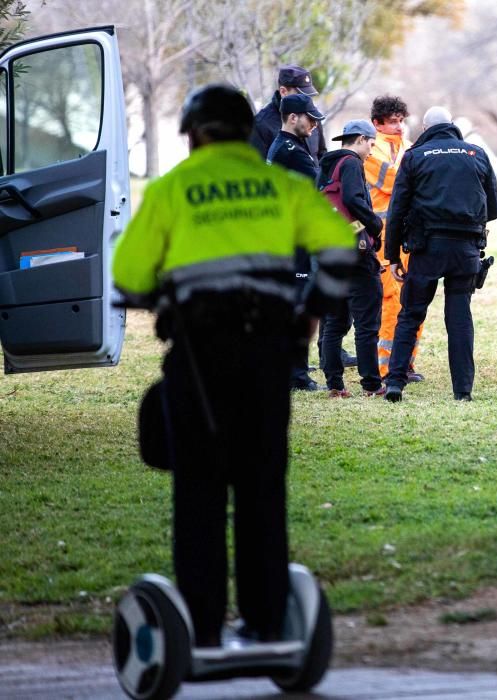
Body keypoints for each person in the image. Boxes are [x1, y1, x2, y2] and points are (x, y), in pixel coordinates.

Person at [112, 84, 355, 647]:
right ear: (248, 129)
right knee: (262, 486)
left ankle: (200, 628)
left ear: (194, 135)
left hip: (198, 359)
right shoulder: (280, 186)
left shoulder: (174, 190)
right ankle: (268, 621)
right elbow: (339, 249)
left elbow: (128, 277)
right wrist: (307, 314)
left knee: (198, 489)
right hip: (269, 356)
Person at [382, 106, 497, 402]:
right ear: (451, 126)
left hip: (427, 249)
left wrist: (393, 256)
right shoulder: (477, 154)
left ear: (425, 129)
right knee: (459, 318)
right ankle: (463, 392)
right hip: (466, 250)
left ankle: (395, 383)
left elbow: (396, 211)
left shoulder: (415, 157)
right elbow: (495, 209)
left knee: (410, 314)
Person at [317, 119, 385, 397]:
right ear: (359, 139)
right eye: (371, 143)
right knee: (367, 323)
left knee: (334, 322)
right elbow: (356, 201)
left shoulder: (325, 165)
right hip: (355, 254)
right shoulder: (352, 163)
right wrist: (375, 225)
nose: (371, 150)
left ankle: (334, 385)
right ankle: (371, 384)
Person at [267, 93, 327, 390]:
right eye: (310, 118)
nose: (315, 125)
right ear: (293, 118)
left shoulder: (287, 147)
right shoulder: (290, 151)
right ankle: (297, 376)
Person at [363, 95, 424, 381]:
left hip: (407, 235)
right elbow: (394, 181)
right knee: (392, 300)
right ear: (377, 123)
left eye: (401, 121)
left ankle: (406, 362)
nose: (399, 126)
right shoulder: (371, 150)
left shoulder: (408, 147)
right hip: (383, 238)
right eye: (392, 122)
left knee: (414, 299)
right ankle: (388, 366)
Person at [249, 64, 326, 162]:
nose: (307, 100)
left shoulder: (313, 116)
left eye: (309, 96)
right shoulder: (261, 125)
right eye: (301, 95)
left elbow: (322, 155)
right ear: (283, 92)